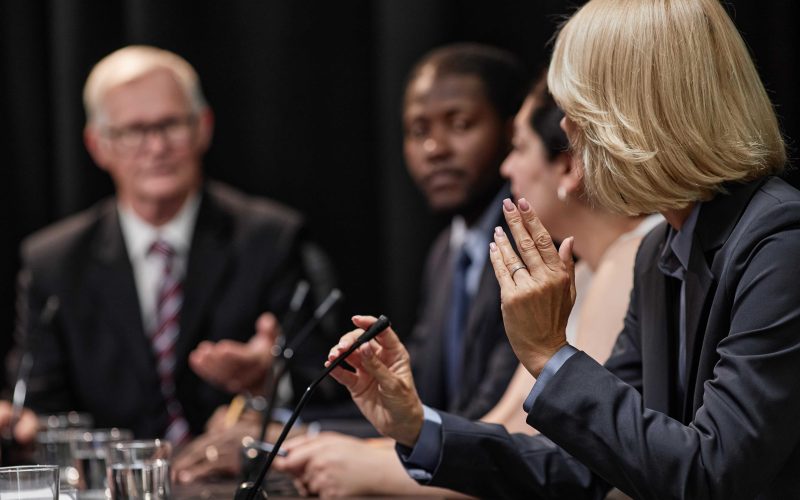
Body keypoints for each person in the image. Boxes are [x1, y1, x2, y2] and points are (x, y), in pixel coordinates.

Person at [326, 0, 800, 498]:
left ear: (641, 112)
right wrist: (418, 429)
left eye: (577, 110)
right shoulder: (660, 250)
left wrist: (549, 353)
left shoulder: (779, 243)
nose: (567, 133)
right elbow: (592, 466)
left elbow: (712, 474)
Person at [275, 75, 660, 497]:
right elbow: (512, 424)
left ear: (568, 163)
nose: (506, 168)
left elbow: (581, 464)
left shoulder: (631, 259)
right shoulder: (588, 270)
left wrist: (372, 466)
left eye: (518, 147)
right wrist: (405, 434)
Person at [7, 45, 333, 444]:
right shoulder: (53, 262)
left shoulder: (270, 239)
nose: (157, 148)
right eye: (133, 131)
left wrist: (268, 379)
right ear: (97, 145)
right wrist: (20, 422)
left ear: (203, 127)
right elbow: (40, 405)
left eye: (170, 125)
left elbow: (325, 384)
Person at [258, 43, 528, 495]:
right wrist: (284, 423)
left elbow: (481, 415)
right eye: (417, 130)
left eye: (460, 124)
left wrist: (296, 441)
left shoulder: (529, 243)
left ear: (511, 129)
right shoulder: (447, 248)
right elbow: (420, 395)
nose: (434, 148)